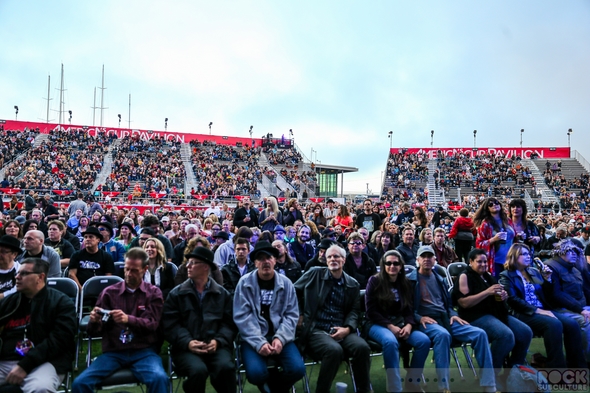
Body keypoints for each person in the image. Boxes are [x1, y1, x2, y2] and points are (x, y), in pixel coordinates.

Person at [72, 248, 169, 393]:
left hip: (144, 350)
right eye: (127, 269)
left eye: (134, 270)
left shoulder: (153, 293)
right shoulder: (109, 293)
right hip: (114, 351)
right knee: (80, 383)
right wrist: (95, 321)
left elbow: (152, 325)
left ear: (145, 269)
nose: (129, 274)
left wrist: (127, 319)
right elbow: (92, 332)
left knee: (159, 378)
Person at [408, 245, 498, 393]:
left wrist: (453, 314)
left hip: (445, 318)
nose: (426, 259)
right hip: (426, 321)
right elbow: (407, 308)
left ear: (435, 259)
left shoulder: (441, 279)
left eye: (429, 256)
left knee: (480, 333)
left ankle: (489, 383)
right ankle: (444, 387)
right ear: (417, 260)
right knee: (443, 335)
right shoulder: (410, 281)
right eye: (423, 257)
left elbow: (448, 304)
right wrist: (419, 318)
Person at [294, 244, 372, 393]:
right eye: (329, 256)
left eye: (336, 256)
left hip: (341, 328)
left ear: (343, 260)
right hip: (315, 328)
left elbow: (355, 311)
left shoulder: (352, 284)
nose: (332, 259)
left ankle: (364, 389)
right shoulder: (314, 274)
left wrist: (347, 329)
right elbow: (293, 291)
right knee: (334, 350)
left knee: (362, 347)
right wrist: (300, 313)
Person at [234, 241, 306, 393]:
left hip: (281, 336)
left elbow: (291, 315)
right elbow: (242, 317)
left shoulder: (286, 284)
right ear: (254, 263)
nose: (265, 261)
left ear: (275, 260)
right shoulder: (244, 283)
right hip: (253, 338)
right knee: (255, 374)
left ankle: (274, 389)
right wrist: (259, 342)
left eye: (269, 257)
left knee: (298, 370)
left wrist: (280, 337)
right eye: (261, 258)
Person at [499, 243, 586, 368]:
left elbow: (547, 295)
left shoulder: (533, 271)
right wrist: (538, 311)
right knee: (554, 324)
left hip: (542, 310)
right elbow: (512, 300)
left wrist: (548, 280)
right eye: (523, 254)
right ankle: (557, 368)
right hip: (523, 312)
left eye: (528, 254)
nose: (528, 256)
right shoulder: (506, 276)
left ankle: (578, 366)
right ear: (513, 257)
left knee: (572, 324)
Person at [163, 246, 237, 393]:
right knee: (198, 371)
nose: (187, 266)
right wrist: (188, 342)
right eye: (187, 263)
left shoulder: (222, 294)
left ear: (205, 267)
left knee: (226, 367)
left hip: (216, 346)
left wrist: (218, 341)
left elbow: (229, 324)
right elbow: (170, 325)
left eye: (193, 263)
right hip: (186, 348)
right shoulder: (177, 294)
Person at [452, 248, 532, 381]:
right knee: (505, 335)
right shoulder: (464, 276)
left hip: (495, 313)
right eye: (479, 262)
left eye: (485, 262)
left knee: (525, 332)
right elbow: (464, 303)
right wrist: (487, 292)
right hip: (475, 316)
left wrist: (503, 296)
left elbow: (497, 296)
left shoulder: (488, 276)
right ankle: (490, 376)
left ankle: (512, 371)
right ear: (471, 262)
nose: (483, 264)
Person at [0, 258, 77, 393]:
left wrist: (24, 366)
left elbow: (60, 341)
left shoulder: (60, 302)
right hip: (6, 360)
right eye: (17, 273)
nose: (17, 277)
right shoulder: (9, 303)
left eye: (23, 274)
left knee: (40, 389)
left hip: (45, 362)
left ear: (40, 277)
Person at [364, 250, 430, 392]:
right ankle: (395, 389)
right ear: (383, 265)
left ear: (401, 266)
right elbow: (371, 311)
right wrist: (390, 326)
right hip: (377, 324)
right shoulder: (374, 281)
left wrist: (409, 325)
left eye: (396, 263)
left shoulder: (404, 283)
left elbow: (408, 309)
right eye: (388, 263)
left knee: (424, 341)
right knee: (390, 341)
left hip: (400, 323)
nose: (392, 266)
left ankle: (412, 382)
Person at [545, 239, 590, 363]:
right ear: (561, 252)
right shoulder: (551, 267)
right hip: (560, 309)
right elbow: (557, 295)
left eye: (576, 251)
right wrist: (581, 310)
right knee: (586, 322)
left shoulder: (575, 268)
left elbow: (585, 290)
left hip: (579, 307)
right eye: (570, 250)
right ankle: (586, 360)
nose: (574, 254)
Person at [474, 198, 515, 277]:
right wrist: (493, 239)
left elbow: (513, 237)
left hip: (510, 260)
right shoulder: (485, 224)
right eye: (491, 204)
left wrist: (519, 236)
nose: (494, 205)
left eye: (496, 203)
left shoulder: (508, 220)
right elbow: (479, 244)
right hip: (495, 261)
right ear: (487, 208)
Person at [0, 235, 23, 300]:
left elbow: (18, 290)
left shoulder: (20, 270)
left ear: (14, 254)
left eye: (3, 252)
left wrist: (3, 295)